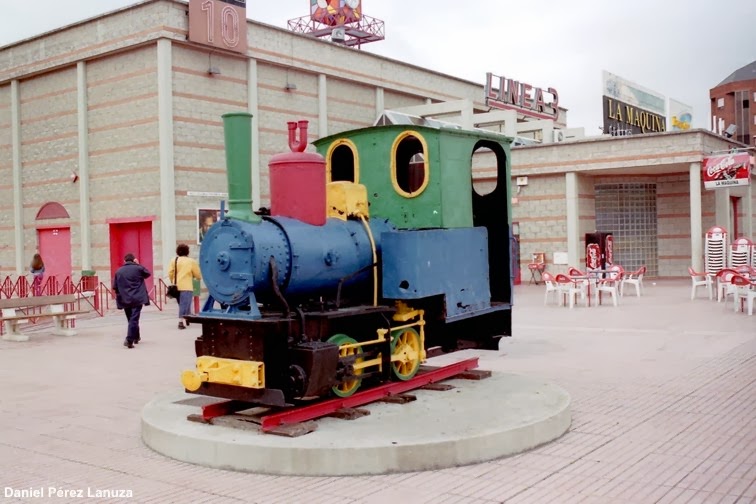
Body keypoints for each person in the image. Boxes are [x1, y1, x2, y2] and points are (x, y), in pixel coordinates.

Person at [113, 253, 151, 348]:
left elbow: (115, 287)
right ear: (134, 260)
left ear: (124, 261)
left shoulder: (119, 271)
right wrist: (138, 264)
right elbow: (147, 273)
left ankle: (136, 337)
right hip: (138, 298)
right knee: (134, 319)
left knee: (131, 319)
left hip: (125, 299)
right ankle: (129, 339)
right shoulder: (138, 268)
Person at [167, 244, 202, 330]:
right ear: (187, 252)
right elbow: (198, 274)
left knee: (181, 304)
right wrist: (196, 277)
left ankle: (187, 318)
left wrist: (173, 280)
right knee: (185, 304)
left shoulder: (174, 260)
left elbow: (170, 273)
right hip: (186, 286)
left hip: (176, 287)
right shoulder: (191, 261)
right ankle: (181, 322)